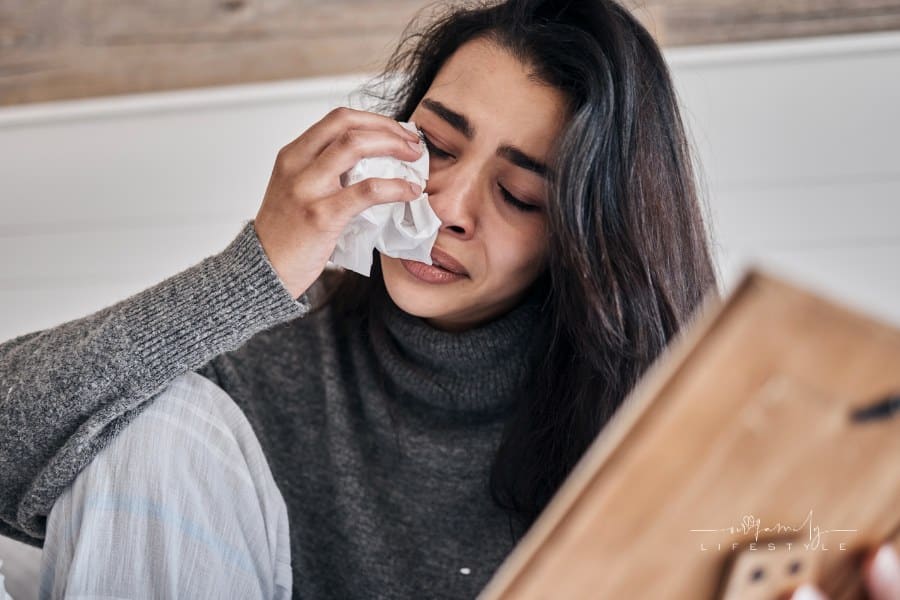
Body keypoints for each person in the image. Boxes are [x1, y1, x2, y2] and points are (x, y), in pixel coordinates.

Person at [1, 0, 897, 598]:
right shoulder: (264, 360)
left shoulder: (652, 419)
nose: (448, 206)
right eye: (434, 144)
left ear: (585, 240)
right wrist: (256, 271)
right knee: (157, 416)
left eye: (520, 196)